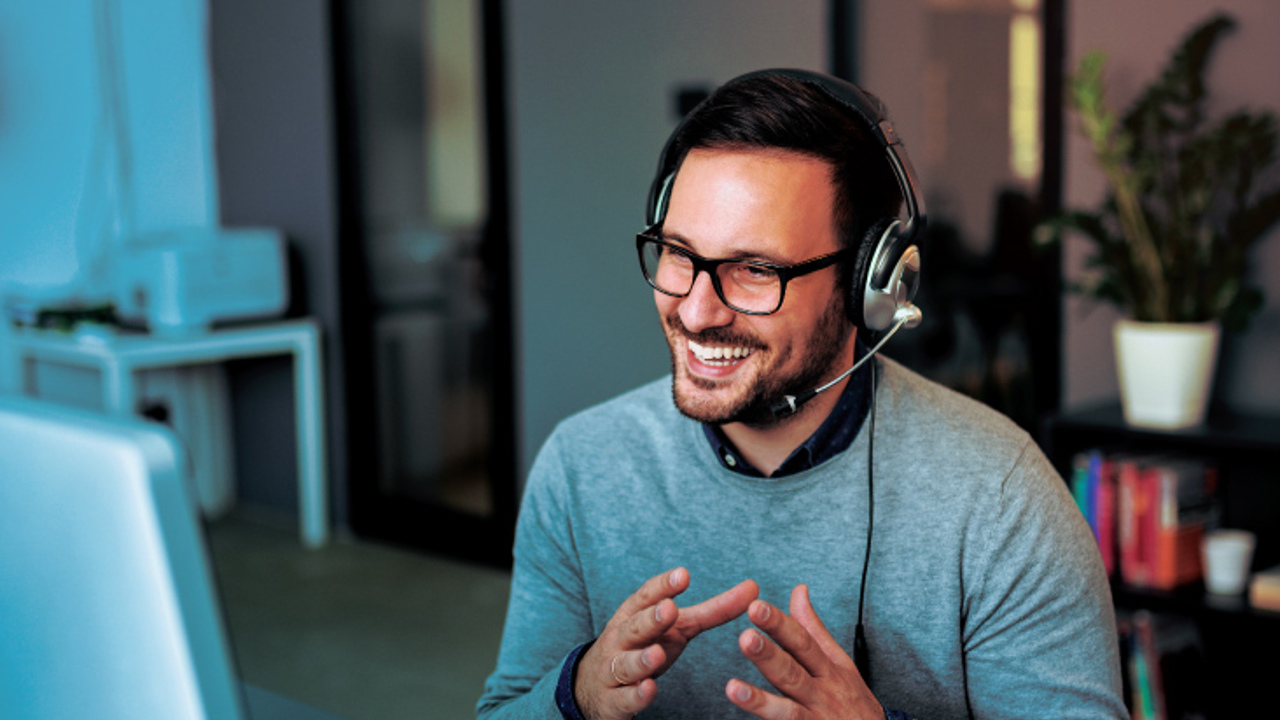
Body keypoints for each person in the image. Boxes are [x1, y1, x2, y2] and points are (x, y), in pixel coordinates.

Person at [477, 68, 1125, 720]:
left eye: (755, 269)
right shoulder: (581, 465)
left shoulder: (1001, 496)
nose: (697, 311)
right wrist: (579, 691)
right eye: (678, 253)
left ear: (869, 286)